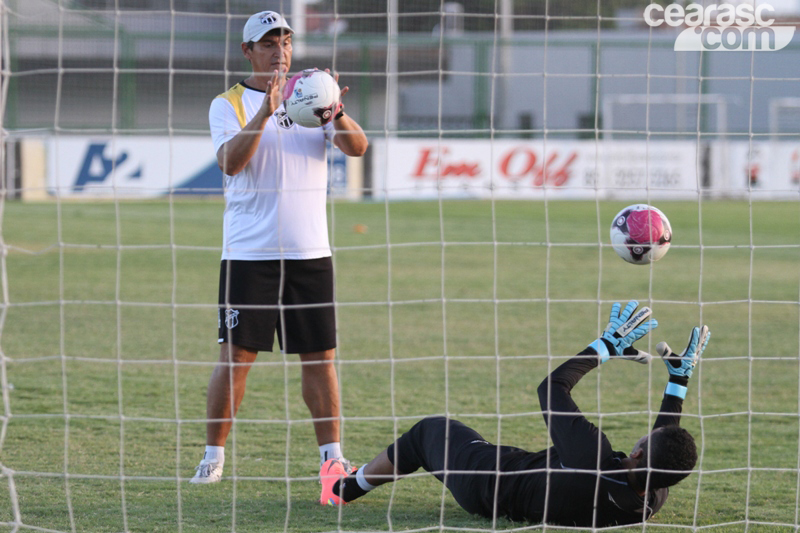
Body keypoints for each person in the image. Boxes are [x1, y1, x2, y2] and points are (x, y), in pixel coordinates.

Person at [319, 301, 710, 527]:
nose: (644, 436)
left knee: (429, 431)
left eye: (644, 441)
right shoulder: (650, 499)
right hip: (517, 485)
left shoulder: (592, 458)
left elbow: (551, 388)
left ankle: (342, 489)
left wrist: (604, 346)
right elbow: (664, 449)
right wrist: (678, 382)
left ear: (638, 453)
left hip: (486, 482)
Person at [191, 10, 369, 484]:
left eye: (285, 42)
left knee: (321, 358)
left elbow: (357, 148)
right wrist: (266, 111)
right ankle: (212, 458)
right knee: (236, 358)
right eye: (269, 43)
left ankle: (332, 459)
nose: (279, 51)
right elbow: (230, 163)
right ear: (248, 51)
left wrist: (336, 111)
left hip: (310, 253)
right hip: (249, 255)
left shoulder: (311, 94)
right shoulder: (227, 104)